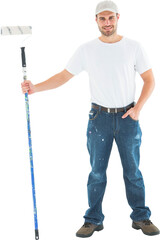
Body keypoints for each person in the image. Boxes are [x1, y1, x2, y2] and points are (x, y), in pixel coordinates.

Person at [21, 0, 160, 237]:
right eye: (102, 19)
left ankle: (141, 217)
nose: (107, 23)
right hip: (99, 119)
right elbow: (64, 76)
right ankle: (93, 219)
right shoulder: (87, 49)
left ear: (118, 18)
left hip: (128, 117)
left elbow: (149, 79)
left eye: (111, 18)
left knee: (133, 171)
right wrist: (35, 87)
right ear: (96, 20)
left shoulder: (134, 47)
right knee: (97, 172)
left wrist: (138, 109)